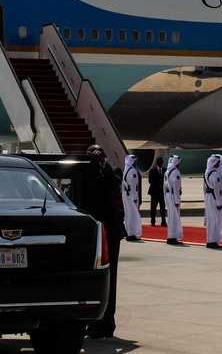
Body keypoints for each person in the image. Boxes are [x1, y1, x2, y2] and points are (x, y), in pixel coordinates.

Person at [77, 145, 125, 339]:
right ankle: (106, 322)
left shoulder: (90, 177)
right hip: (111, 233)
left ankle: (99, 322)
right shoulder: (111, 176)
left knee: (95, 279)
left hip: (99, 233)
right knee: (110, 278)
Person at [203, 154, 222, 248]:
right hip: (214, 198)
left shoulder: (207, 172)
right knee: (215, 220)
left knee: (211, 219)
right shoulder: (214, 174)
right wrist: (219, 202)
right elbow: (217, 190)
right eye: (218, 162)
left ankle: (211, 240)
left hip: (209, 197)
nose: (219, 164)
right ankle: (213, 241)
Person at [121, 155, 143, 241]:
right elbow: (133, 186)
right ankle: (132, 233)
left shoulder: (126, 169)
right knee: (133, 216)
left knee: (128, 215)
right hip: (132, 197)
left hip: (126, 196)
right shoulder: (133, 171)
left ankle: (128, 232)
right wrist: (135, 198)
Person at [164, 155, 183, 245]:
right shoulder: (175, 172)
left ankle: (171, 236)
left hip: (168, 196)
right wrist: (177, 201)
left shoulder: (167, 171)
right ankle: (173, 237)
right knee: (174, 218)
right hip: (173, 197)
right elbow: (176, 187)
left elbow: (164, 186)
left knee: (170, 217)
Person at [147, 157, 165, 226]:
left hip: (162, 192)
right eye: (160, 162)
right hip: (154, 192)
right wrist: (159, 183)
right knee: (153, 208)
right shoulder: (152, 170)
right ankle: (153, 221)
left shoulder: (165, 170)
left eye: (162, 162)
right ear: (157, 163)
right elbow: (150, 180)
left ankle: (163, 221)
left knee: (162, 208)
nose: (161, 163)